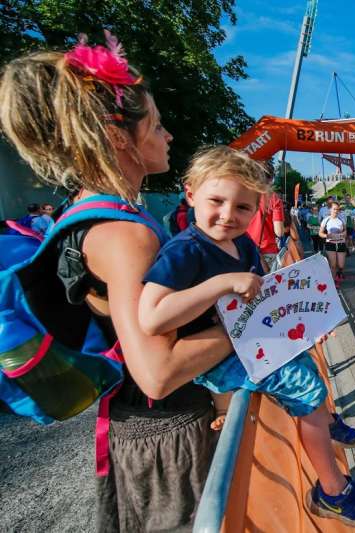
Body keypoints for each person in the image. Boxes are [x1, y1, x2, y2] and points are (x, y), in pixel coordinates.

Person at [0, 38, 239, 530]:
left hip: (138, 426)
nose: (169, 135)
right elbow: (157, 371)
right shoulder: (126, 234)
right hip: (167, 430)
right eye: (155, 124)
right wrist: (257, 321)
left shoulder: (86, 210)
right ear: (119, 138)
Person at [137, 146, 355, 526]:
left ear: (256, 208)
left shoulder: (243, 243)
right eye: (217, 201)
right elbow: (151, 316)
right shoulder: (185, 250)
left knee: (304, 367)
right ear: (190, 194)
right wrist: (221, 283)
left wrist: (306, 326)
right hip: (219, 357)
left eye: (243, 208)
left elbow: (265, 297)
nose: (228, 216)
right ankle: (332, 491)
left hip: (247, 343)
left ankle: (322, 421)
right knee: (307, 388)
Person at [246, 186, 285, 272]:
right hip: (267, 251)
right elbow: (279, 232)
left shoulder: (243, 192)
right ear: (271, 179)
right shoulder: (273, 197)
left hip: (244, 250)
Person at [319, 201, 347, 286]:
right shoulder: (326, 219)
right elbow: (320, 233)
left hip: (341, 243)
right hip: (330, 244)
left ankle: (339, 274)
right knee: (333, 265)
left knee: (341, 265)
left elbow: (345, 232)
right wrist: (327, 235)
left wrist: (342, 234)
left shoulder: (341, 219)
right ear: (330, 209)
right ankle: (334, 281)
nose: (336, 211)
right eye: (334, 209)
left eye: (337, 209)